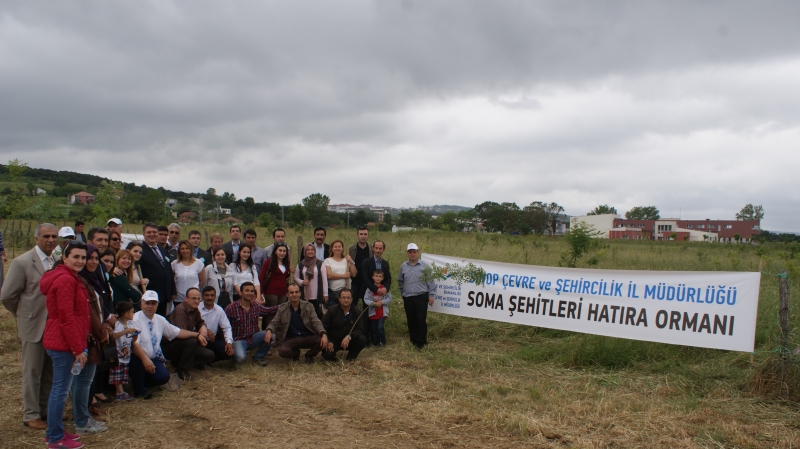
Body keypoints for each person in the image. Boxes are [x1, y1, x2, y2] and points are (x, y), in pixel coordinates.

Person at [40, 240, 105, 447]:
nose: (80, 261)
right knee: (60, 391)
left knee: (61, 389)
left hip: (65, 341)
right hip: (63, 343)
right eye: (75, 257)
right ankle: (55, 438)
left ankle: (56, 432)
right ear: (65, 258)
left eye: (83, 257)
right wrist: (78, 349)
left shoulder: (69, 277)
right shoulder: (66, 280)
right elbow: (66, 317)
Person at [1, 223, 57, 430]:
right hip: (33, 325)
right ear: (36, 239)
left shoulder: (57, 262)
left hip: (53, 327)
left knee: (49, 370)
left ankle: (44, 410)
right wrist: (23, 313)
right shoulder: (22, 262)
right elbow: (7, 296)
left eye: (54, 236)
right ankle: (31, 414)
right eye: (46, 236)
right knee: (32, 371)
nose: (50, 240)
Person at [129, 291, 204, 398]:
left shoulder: (160, 319)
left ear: (157, 305)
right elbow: (133, 345)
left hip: (153, 357)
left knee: (163, 377)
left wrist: (196, 335)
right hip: (138, 356)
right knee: (136, 361)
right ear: (141, 304)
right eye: (147, 303)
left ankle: (144, 380)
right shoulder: (134, 319)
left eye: (153, 303)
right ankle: (139, 390)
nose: (150, 306)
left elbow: (176, 332)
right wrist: (145, 359)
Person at [265, 284, 328, 364]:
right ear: (287, 294)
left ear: (300, 293)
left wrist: (323, 334)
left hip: (307, 337)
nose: (294, 294)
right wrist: (269, 331)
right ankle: (295, 353)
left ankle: (309, 355)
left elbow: (316, 322)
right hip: (291, 338)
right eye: (291, 292)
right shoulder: (282, 308)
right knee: (282, 352)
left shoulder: (309, 306)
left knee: (322, 341)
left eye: (296, 292)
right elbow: (274, 322)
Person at [163, 287, 214, 380]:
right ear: (186, 299)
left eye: (198, 299)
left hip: (184, 344)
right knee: (193, 341)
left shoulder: (194, 310)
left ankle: (178, 362)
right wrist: (198, 335)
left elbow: (200, 321)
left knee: (209, 355)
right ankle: (181, 370)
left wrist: (203, 327)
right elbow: (181, 333)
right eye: (193, 298)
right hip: (170, 345)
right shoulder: (180, 310)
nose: (197, 301)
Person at [225, 282, 278, 365]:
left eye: (252, 291)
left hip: (252, 338)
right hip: (238, 340)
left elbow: (269, 311)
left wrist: (285, 305)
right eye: (247, 291)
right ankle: (237, 353)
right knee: (240, 358)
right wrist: (227, 342)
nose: (250, 293)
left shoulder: (256, 306)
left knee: (272, 335)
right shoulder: (231, 308)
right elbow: (224, 326)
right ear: (241, 292)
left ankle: (258, 357)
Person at [398, 243, 436, 349]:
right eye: (410, 252)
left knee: (420, 319)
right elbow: (400, 281)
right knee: (411, 320)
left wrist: (431, 295)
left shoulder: (424, 266)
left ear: (418, 253)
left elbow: (430, 281)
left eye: (414, 252)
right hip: (408, 297)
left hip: (421, 297)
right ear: (407, 253)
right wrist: (402, 293)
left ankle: (422, 342)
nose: (412, 254)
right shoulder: (403, 266)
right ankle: (413, 340)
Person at [138, 223, 177, 316]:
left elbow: (168, 269)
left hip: (164, 295)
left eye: (154, 232)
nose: (152, 234)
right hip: (150, 294)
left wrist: (172, 291)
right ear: (144, 234)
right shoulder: (140, 250)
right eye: (149, 232)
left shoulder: (163, 250)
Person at [321, 289, 367, 362]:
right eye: (343, 297)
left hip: (349, 340)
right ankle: (333, 357)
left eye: (348, 298)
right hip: (334, 340)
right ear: (339, 299)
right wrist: (328, 340)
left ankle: (351, 357)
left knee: (362, 339)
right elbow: (323, 326)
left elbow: (360, 329)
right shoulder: (332, 310)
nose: (346, 300)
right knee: (327, 355)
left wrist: (349, 336)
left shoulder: (357, 312)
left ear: (352, 299)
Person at [361, 240, 390, 343]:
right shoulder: (366, 262)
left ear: (383, 249)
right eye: (376, 248)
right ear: (372, 248)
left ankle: (377, 340)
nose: (378, 250)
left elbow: (388, 279)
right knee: (367, 317)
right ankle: (366, 339)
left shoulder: (385, 263)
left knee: (378, 321)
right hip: (369, 294)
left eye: (380, 248)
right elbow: (366, 279)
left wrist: (385, 288)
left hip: (382, 295)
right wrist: (376, 289)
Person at [258, 242, 291, 329]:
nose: (282, 253)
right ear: (275, 251)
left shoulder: (286, 262)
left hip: (283, 293)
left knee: (281, 314)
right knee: (271, 315)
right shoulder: (269, 261)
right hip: (271, 293)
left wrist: (290, 271)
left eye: (284, 251)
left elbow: (285, 277)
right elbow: (261, 277)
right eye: (280, 250)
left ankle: (278, 334)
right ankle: (267, 334)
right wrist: (261, 292)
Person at [109, 301, 137, 402]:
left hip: (127, 354)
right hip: (118, 354)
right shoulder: (117, 325)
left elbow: (132, 340)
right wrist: (126, 331)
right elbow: (114, 336)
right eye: (132, 312)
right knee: (117, 373)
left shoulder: (130, 323)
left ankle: (122, 391)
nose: (133, 314)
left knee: (123, 373)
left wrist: (135, 335)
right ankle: (119, 392)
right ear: (126, 314)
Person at [199, 286, 234, 363]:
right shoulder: (197, 308)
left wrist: (228, 342)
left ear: (215, 296)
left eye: (212, 295)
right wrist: (206, 330)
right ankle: (200, 360)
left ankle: (207, 360)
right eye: (207, 295)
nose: (209, 298)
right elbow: (192, 326)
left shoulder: (219, 310)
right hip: (198, 340)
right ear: (202, 296)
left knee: (229, 353)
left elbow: (227, 327)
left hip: (211, 341)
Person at [294, 243, 328, 319]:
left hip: (317, 295)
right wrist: (302, 282)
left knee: (316, 316)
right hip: (305, 294)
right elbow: (295, 277)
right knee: (305, 316)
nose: (310, 251)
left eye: (312, 250)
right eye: (308, 250)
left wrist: (325, 294)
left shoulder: (320, 264)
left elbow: (324, 279)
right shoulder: (301, 265)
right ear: (304, 252)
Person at [171, 240, 206, 304]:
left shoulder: (198, 263)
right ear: (179, 250)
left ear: (190, 250)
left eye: (187, 248)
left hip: (194, 299)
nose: (185, 251)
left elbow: (202, 280)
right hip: (178, 299)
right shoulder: (174, 264)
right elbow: (171, 280)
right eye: (182, 249)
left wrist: (196, 291)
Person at [323, 240, 356, 308]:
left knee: (346, 309)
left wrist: (351, 261)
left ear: (342, 248)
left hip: (347, 290)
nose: (337, 248)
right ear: (332, 248)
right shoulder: (327, 260)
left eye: (339, 247)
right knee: (335, 310)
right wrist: (344, 276)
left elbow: (353, 274)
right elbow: (329, 275)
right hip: (333, 291)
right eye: (335, 247)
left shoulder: (346, 260)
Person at [364, 269, 392, 347]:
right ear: (373, 277)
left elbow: (389, 299)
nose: (378, 278)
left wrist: (381, 302)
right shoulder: (369, 289)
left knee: (380, 327)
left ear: (382, 278)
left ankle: (383, 341)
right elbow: (366, 299)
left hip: (382, 312)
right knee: (373, 329)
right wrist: (373, 303)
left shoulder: (384, 289)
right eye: (376, 276)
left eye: (380, 276)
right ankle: (375, 343)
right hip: (373, 312)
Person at [348, 226, 372, 305]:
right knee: (352, 304)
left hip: (367, 282)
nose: (363, 236)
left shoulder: (372, 249)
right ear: (357, 235)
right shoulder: (351, 249)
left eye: (365, 234)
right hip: (355, 281)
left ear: (368, 235)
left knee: (367, 305)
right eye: (361, 234)